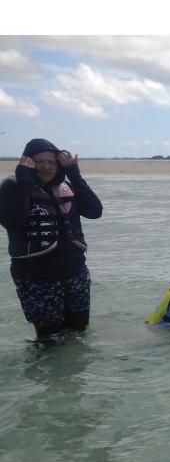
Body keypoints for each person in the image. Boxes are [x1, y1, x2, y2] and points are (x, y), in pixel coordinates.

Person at [0, 138, 103, 341]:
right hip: (36, 278)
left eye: (51, 162)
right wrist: (25, 181)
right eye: (39, 161)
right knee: (49, 341)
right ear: (27, 162)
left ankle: (75, 372)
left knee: (79, 334)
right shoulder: (12, 187)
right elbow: (13, 222)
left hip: (75, 273)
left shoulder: (67, 186)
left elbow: (94, 211)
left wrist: (75, 173)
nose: (46, 166)